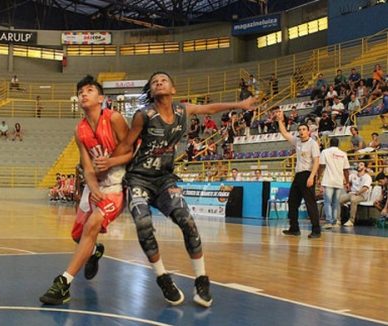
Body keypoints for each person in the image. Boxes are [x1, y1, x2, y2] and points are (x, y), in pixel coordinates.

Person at [111, 71, 257, 308]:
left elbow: (210, 109)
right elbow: (126, 144)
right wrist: (107, 166)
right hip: (138, 179)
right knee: (143, 225)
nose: (159, 83)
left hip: (165, 179)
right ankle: (162, 277)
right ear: (152, 90)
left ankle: (201, 279)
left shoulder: (182, 110)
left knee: (187, 222)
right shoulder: (143, 115)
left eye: (163, 80)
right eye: (154, 82)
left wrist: (240, 104)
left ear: (173, 89)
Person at [39, 75, 130, 305]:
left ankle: (63, 283)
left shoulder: (115, 118)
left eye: (89, 90)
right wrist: (91, 185)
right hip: (95, 186)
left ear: (101, 98)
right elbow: (87, 166)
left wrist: (111, 163)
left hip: (116, 185)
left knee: (91, 226)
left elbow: (132, 151)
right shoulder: (79, 130)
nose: (83, 94)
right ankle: (96, 250)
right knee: (78, 236)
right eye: (80, 92)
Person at [276, 109, 321, 238]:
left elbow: (316, 161)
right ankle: (294, 228)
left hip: (308, 174)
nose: (301, 131)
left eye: (303, 129)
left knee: (310, 203)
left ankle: (316, 230)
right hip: (298, 176)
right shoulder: (297, 142)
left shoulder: (313, 144)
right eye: (300, 130)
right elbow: (284, 133)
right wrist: (280, 120)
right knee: (292, 202)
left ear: (308, 131)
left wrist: (312, 177)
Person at [318, 138, 350, 229]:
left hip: (328, 180)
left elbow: (321, 166)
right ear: (338, 144)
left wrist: (318, 177)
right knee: (335, 203)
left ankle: (329, 221)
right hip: (339, 181)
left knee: (327, 202)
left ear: (329, 143)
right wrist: (347, 182)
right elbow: (346, 170)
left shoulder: (325, 151)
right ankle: (335, 222)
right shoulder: (343, 154)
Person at [339, 162, 372, 226]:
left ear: (365, 168)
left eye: (361, 165)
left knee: (353, 200)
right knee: (339, 200)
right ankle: (338, 220)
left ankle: (351, 221)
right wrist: (346, 184)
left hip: (362, 195)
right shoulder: (353, 175)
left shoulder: (367, 177)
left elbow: (365, 188)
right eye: (358, 164)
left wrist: (357, 193)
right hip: (352, 194)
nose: (359, 166)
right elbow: (345, 181)